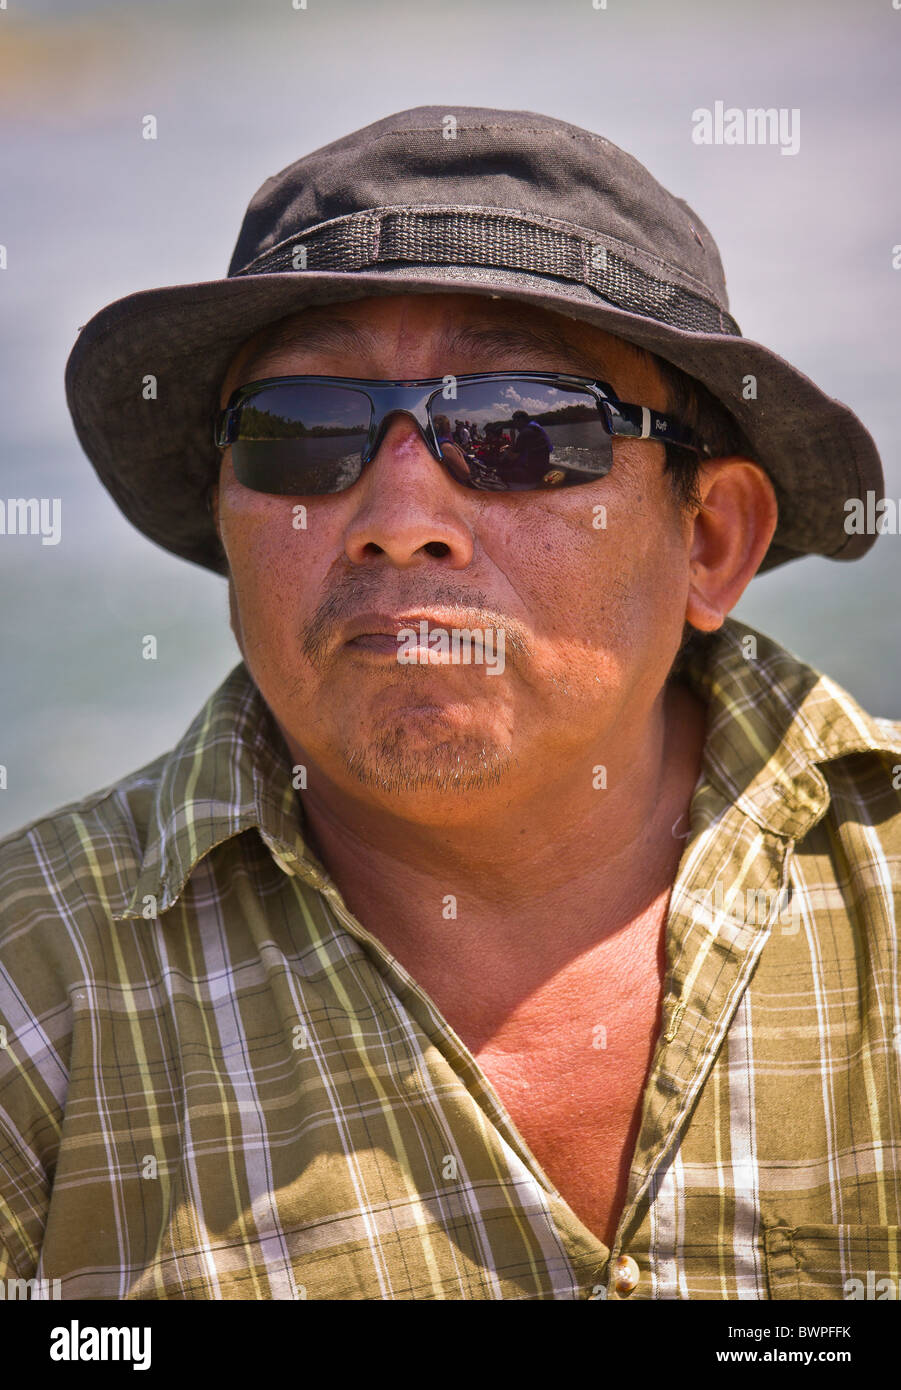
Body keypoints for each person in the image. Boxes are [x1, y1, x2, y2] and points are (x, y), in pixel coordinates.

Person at [1, 104, 899, 1302]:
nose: (399, 519)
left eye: (520, 428)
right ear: (226, 510)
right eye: (300, 432)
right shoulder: (32, 996)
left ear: (711, 540)